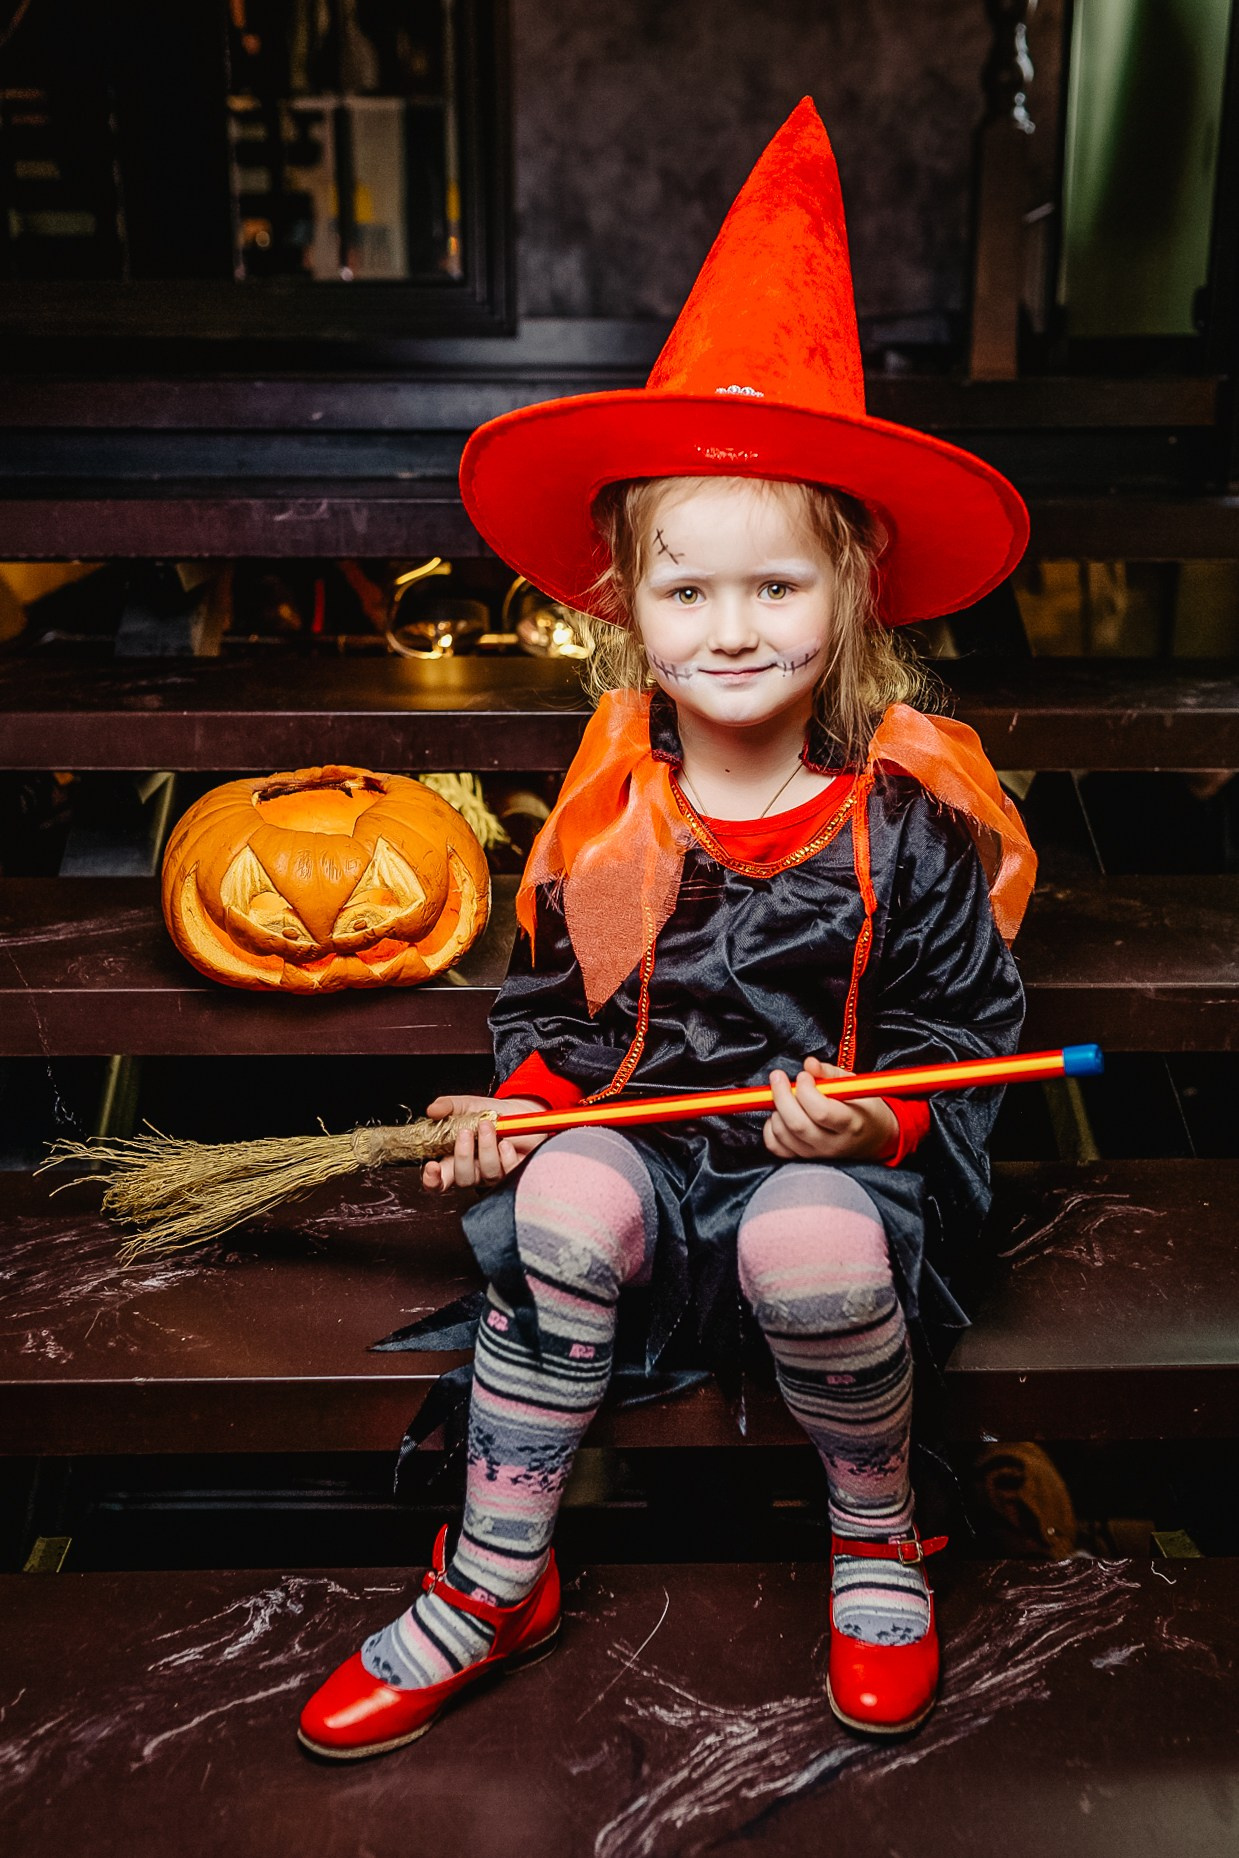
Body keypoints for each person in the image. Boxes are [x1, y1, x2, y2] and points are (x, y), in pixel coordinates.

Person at [299, 97, 1033, 1758]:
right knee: (563, 1184)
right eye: (689, 588)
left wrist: (877, 1108)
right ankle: (498, 1573)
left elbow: (961, 1028)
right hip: (646, 1174)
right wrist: (526, 1107)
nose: (733, 626)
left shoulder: (901, 822)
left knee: (814, 1232)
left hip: (824, 1184)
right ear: (624, 601)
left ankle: (876, 1535)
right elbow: (555, 1014)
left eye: (777, 587)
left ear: (852, 590)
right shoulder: (612, 817)